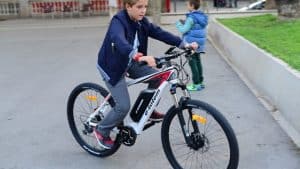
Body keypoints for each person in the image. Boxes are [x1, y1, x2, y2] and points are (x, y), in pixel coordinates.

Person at [95, 0, 198, 149]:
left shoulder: (142, 22)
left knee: (159, 78)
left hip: (131, 62)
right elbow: (120, 41)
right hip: (112, 66)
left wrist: (184, 44)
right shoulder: (118, 21)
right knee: (123, 106)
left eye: (145, 7)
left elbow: (160, 33)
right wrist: (138, 56)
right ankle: (101, 130)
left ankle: (146, 111)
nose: (143, 10)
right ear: (128, 6)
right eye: (139, 7)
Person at [175, 0, 208, 91]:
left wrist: (178, 24)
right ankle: (200, 83)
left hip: (191, 44)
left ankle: (196, 84)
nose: (186, 5)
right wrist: (185, 22)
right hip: (199, 43)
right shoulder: (201, 16)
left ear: (192, 6)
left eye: (187, 4)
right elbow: (194, 27)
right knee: (198, 61)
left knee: (192, 63)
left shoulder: (191, 17)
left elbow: (183, 30)